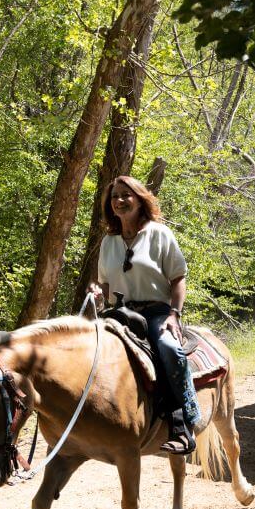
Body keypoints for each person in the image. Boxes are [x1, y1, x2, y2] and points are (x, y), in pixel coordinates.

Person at [88, 176, 199, 454]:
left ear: (139, 199)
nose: (120, 200)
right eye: (115, 196)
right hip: (118, 314)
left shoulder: (159, 234)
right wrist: (98, 295)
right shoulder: (109, 242)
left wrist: (174, 314)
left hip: (156, 313)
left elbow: (178, 277)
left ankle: (183, 425)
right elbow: (104, 286)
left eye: (127, 195)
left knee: (169, 349)